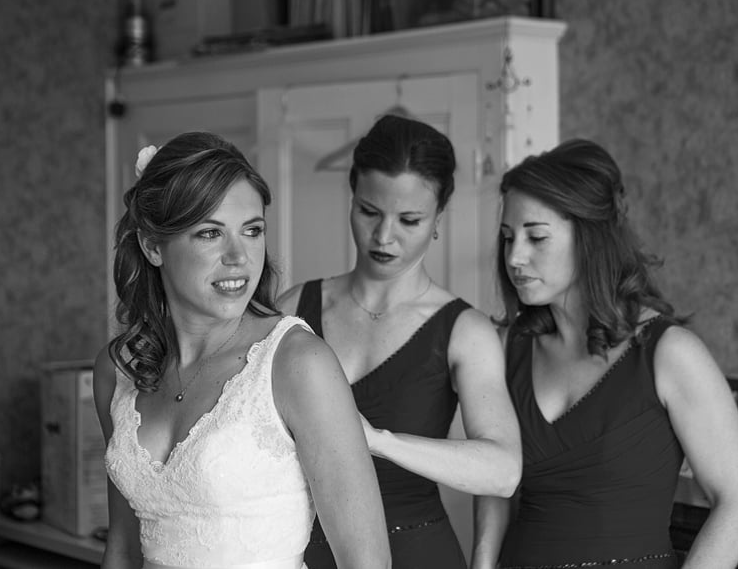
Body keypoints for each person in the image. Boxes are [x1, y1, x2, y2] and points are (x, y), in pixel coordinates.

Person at [92, 131, 391, 569]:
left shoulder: (297, 363)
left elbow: (367, 563)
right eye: (210, 233)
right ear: (153, 246)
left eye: (252, 230)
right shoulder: (119, 368)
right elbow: (122, 547)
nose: (239, 256)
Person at [471, 139, 738, 569]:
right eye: (508, 237)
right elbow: (496, 490)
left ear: (590, 237)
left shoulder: (670, 353)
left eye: (536, 237)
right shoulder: (506, 348)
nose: (515, 257)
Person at [278, 114, 522, 569]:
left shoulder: (464, 330)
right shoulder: (293, 307)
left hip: (416, 553)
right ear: (351, 198)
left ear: (437, 218)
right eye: (369, 212)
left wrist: (378, 440)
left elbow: (503, 471)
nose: (384, 236)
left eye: (409, 220)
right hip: (300, 554)